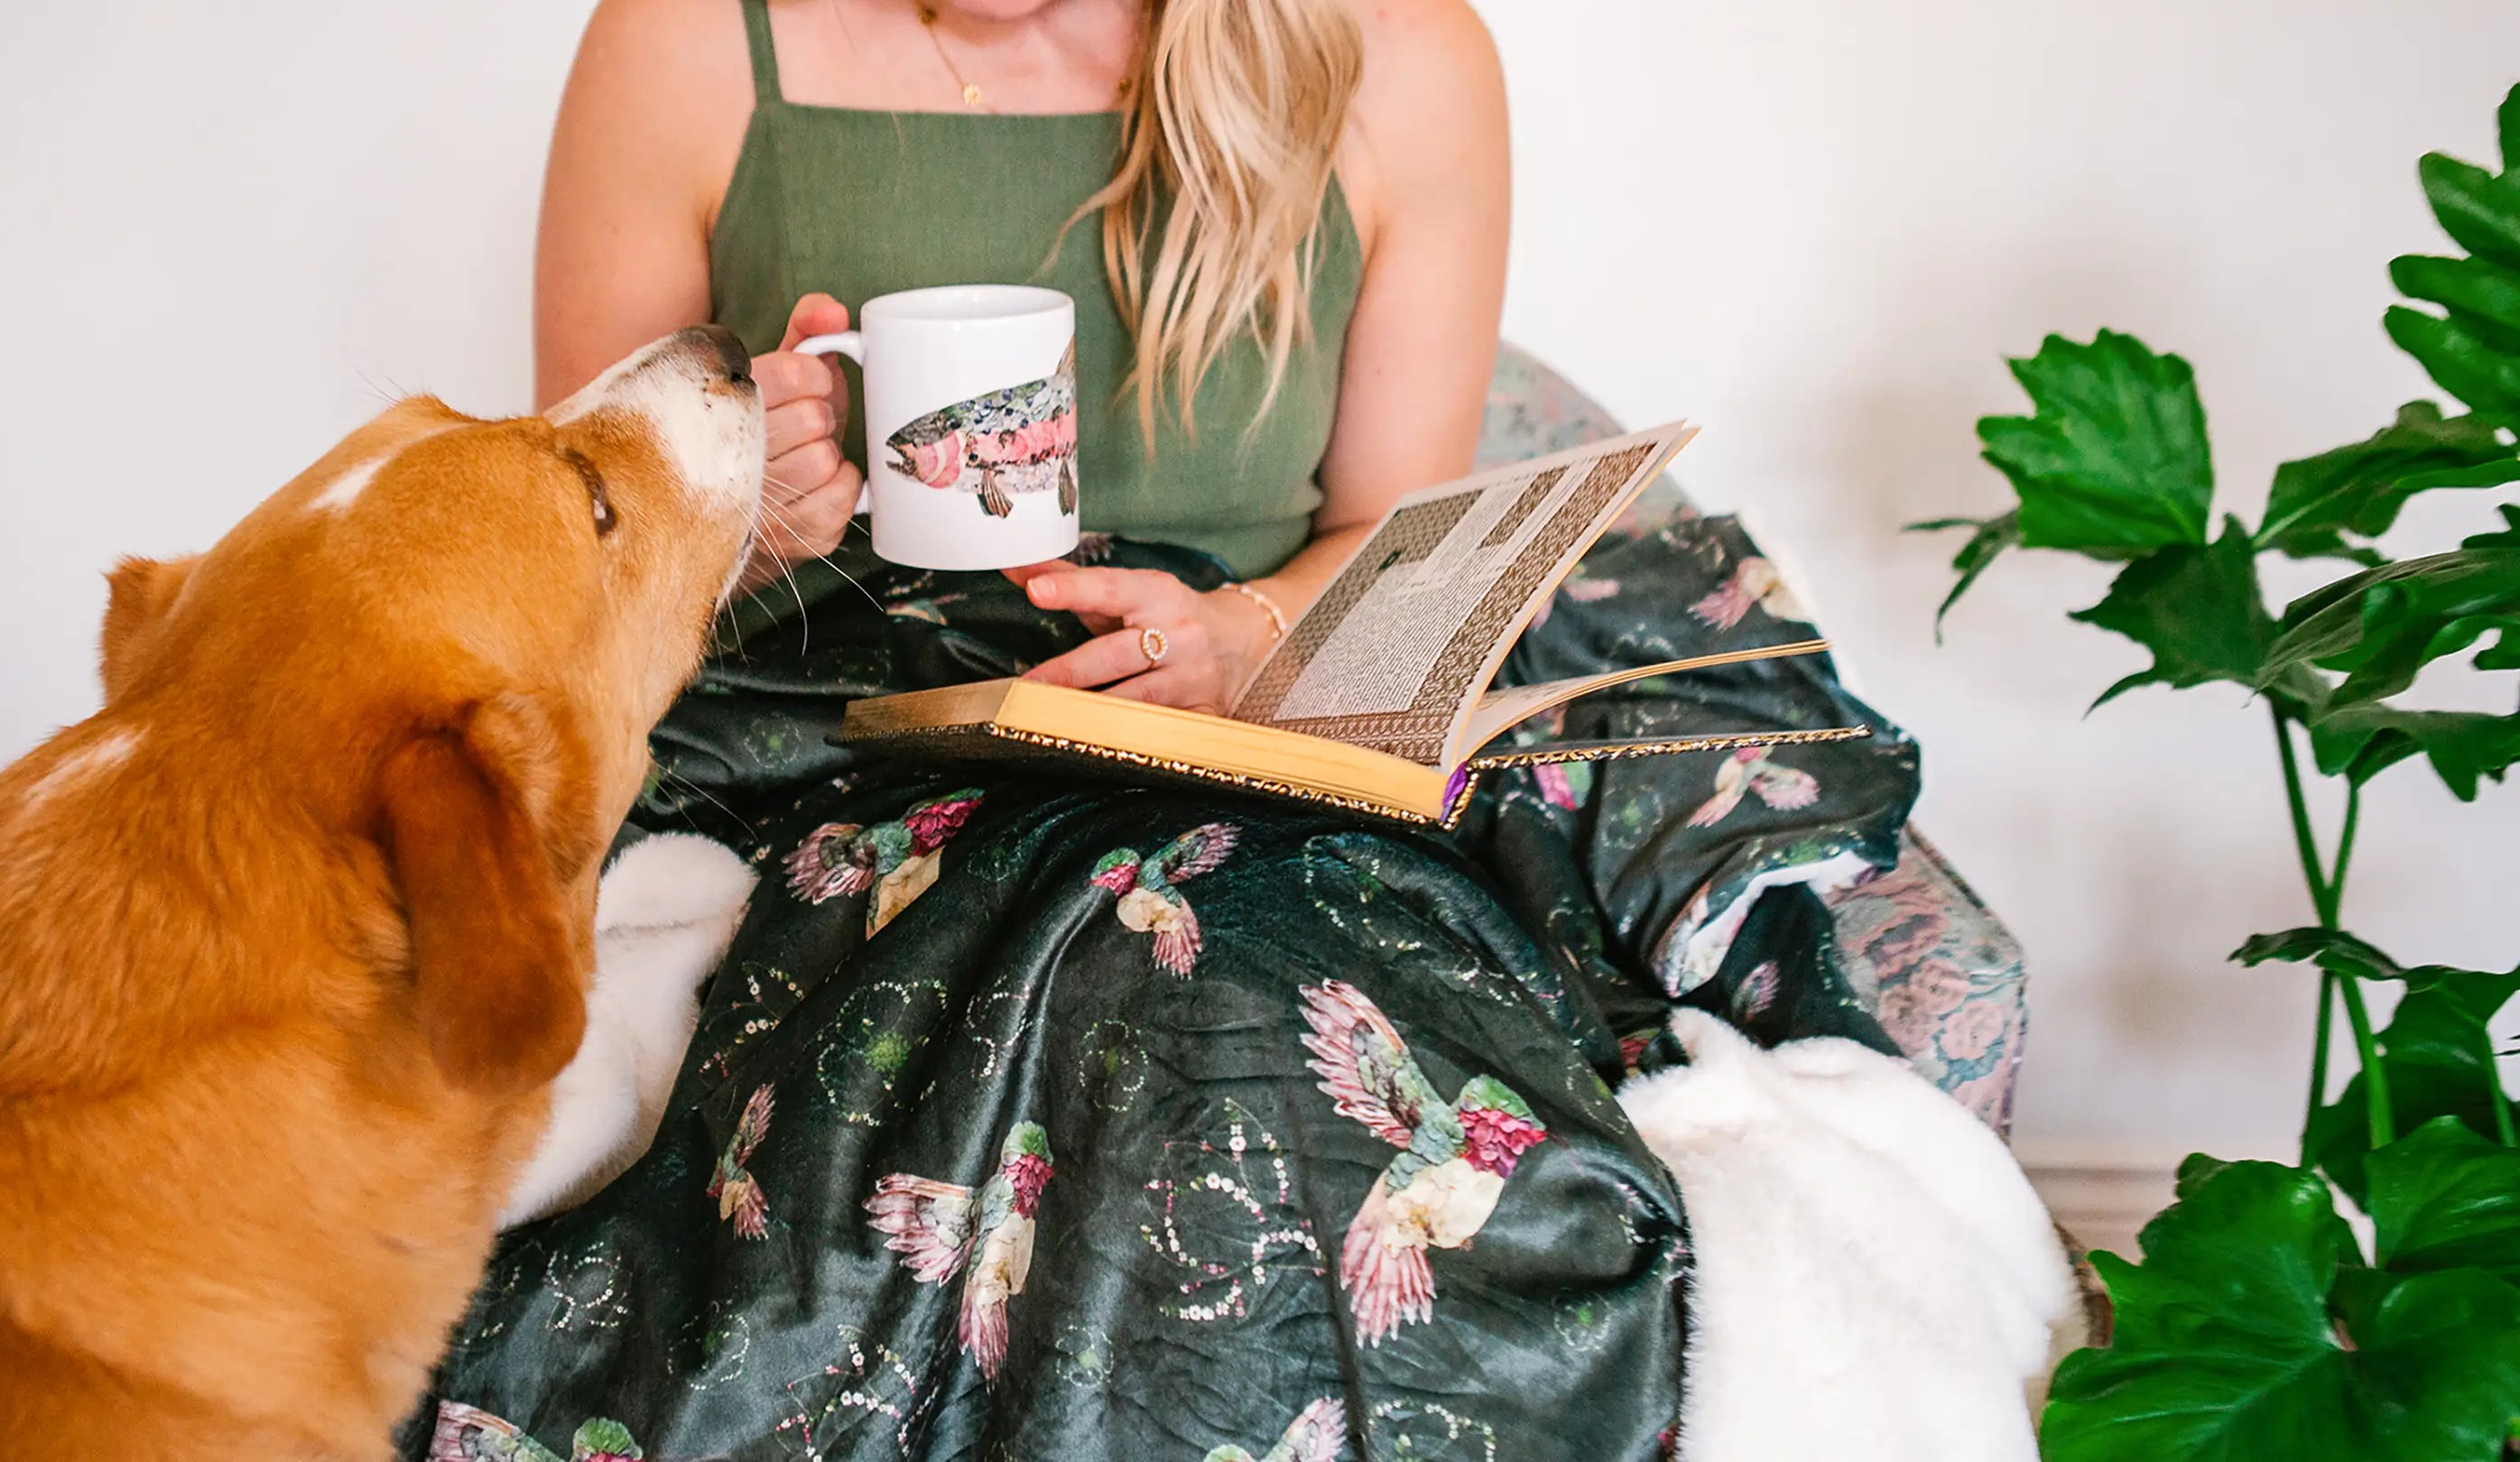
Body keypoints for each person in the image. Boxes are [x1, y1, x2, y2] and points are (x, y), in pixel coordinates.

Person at [405, 3, 1918, 1457]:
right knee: (1079, 1012)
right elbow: (579, 559)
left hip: (1246, 751)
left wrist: (1244, 638)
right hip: (836, 737)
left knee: (1260, 1017)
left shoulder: (1404, 56)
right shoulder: (680, 41)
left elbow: (1398, 545)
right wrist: (750, 522)